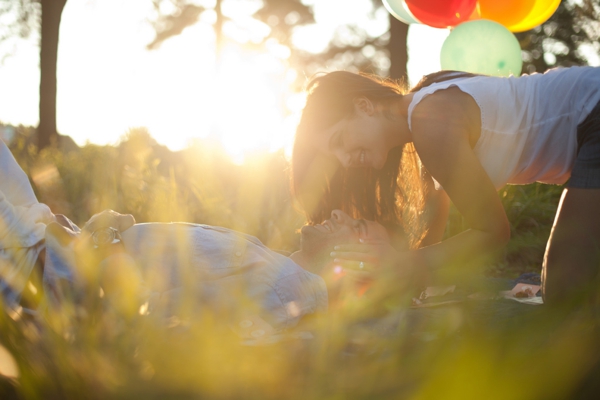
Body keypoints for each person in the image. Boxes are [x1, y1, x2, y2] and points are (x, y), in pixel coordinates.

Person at [0, 138, 390, 334]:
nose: (339, 213)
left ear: (358, 267)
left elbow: (155, 319)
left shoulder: (284, 288)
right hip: (45, 237)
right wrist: (113, 231)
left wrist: (108, 247)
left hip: (34, 266)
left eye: (357, 228)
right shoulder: (275, 268)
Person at [292, 66, 600, 308]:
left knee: (564, 288)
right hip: (589, 111)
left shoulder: (431, 123)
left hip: (593, 112)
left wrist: (400, 264)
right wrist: (408, 280)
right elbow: (433, 236)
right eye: (334, 156)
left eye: (339, 142)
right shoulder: (424, 110)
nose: (345, 161)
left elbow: (493, 232)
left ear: (363, 106)